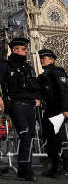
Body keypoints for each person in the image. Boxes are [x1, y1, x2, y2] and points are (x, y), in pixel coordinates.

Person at [0, 38, 41, 182]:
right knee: (25, 134)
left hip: (30, 105)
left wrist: (37, 98)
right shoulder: (5, 66)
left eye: (26, 49)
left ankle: (24, 166)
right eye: (23, 49)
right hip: (16, 104)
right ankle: (25, 168)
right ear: (15, 50)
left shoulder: (27, 67)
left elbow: (35, 85)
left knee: (29, 136)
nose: (26, 51)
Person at [37, 49, 68, 178]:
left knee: (60, 140)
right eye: (41, 58)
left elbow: (63, 92)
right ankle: (55, 167)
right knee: (50, 140)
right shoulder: (44, 75)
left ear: (52, 59)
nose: (42, 60)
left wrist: (65, 109)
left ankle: (62, 167)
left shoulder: (56, 73)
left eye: (45, 58)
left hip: (57, 111)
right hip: (49, 111)